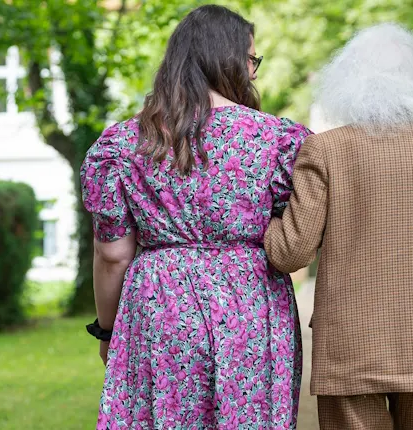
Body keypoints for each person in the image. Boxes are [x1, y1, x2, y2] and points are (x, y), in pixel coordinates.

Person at [262, 23, 413, 430]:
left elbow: (291, 253)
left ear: (349, 81)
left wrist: (257, 217)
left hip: (348, 350)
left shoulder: (325, 150)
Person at [79, 5, 310, 429]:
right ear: (228, 61)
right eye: (251, 60)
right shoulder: (278, 142)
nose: (254, 73)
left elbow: (113, 255)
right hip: (250, 306)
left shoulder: (123, 144)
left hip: (158, 306)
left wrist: (109, 332)